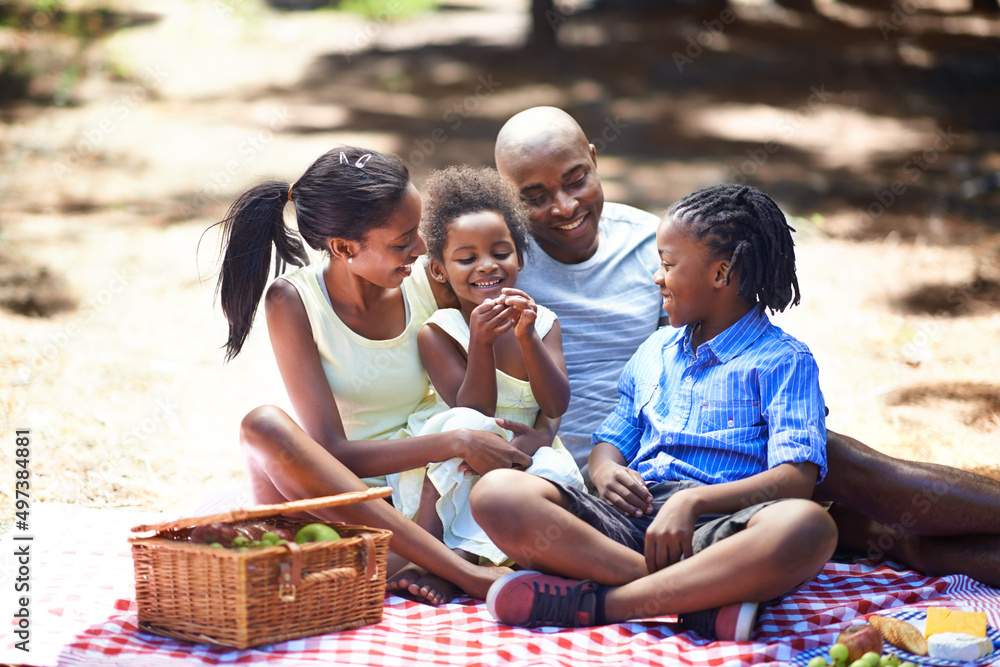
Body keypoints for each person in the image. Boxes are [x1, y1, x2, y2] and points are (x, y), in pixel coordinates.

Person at [493, 106, 1000, 588]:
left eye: (577, 179)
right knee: (842, 515)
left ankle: (872, 542)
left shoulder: (652, 241)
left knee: (838, 472)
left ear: (595, 160)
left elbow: (696, 348)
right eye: (534, 196)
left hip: (705, 446)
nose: (564, 206)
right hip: (604, 472)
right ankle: (683, 582)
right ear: (505, 196)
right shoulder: (496, 264)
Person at [472, 184, 839, 640]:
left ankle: (601, 604)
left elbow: (796, 481)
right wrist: (605, 472)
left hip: (724, 533)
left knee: (808, 526)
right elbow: (613, 439)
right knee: (498, 494)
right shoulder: (655, 349)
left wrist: (693, 501)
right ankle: (697, 601)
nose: (656, 278)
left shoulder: (783, 361)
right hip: (628, 525)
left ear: (721, 273)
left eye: (667, 265)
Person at [210, 146, 533, 606]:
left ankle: (396, 561)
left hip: (433, 496)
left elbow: (485, 368)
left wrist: (526, 431)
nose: (422, 250)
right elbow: (333, 452)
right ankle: (461, 571)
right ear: (344, 248)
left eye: (418, 233)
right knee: (262, 424)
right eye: (403, 243)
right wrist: (456, 442)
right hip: (349, 497)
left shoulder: (426, 278)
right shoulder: (294, 302)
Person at [388, 166, 587, 574]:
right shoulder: (440, 332)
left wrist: (528, 338)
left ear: (520, 256)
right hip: (460, 454)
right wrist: (479, 342)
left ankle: (476, 561)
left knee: (554, 473)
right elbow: (472, 411)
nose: (487, 267)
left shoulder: (543, 322)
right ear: (440, 270)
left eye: (501, 253)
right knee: (458, 425)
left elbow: (555, 402)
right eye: (467, 258)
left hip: (523, 450)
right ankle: (432, 557)